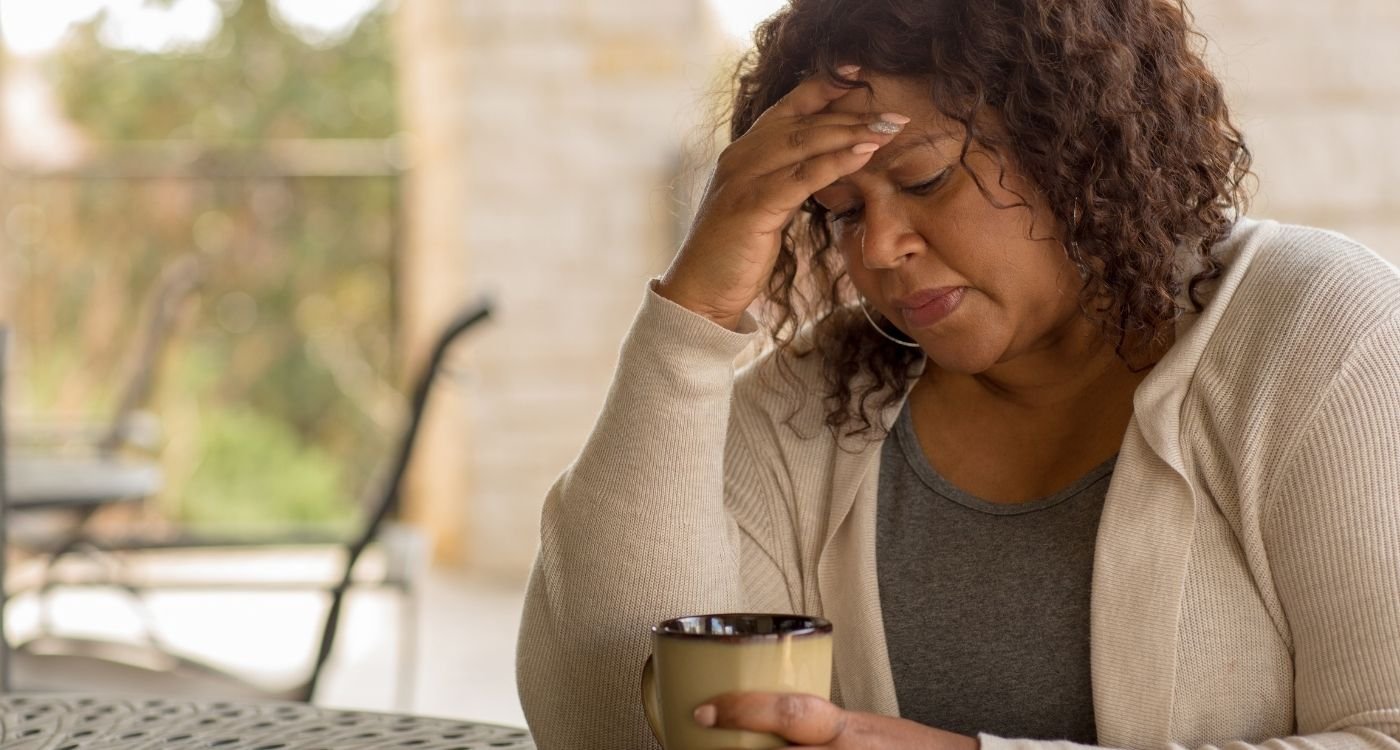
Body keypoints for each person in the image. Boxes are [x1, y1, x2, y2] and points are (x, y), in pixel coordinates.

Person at [516, 0, 1400, 748]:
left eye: (927, 178)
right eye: (840, 211)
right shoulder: (816, 400)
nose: (879, 247)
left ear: (1073, 140)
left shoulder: (1316, 335)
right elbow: (604, 724)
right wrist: (695, 316)